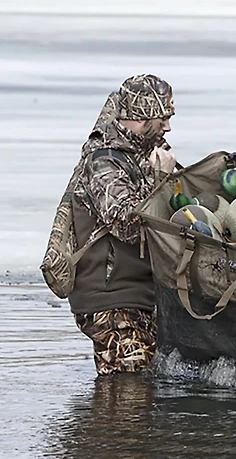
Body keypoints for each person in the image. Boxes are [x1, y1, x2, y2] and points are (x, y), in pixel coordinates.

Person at [69, 74, 178, 375]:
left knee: (141, 388)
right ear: (142, 117)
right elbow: (127, 226)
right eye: (162, 118)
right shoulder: (104, 162)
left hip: (139, 294)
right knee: (126, 388)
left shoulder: (144, 155)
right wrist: (161, 181)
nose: (168, 127)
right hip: (110, 298)